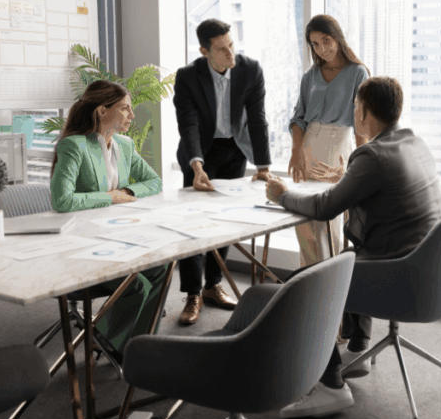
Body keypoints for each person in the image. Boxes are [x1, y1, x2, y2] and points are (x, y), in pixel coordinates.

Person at [265, 76, 441, 419]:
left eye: (355, 107)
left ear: (363, 113)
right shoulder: (413, 142)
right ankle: (357, 347)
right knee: (350, 258)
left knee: (307, 280)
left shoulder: (371, 155)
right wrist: (346, 178)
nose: (354, 113)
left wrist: (281, 195)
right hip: (436, 271)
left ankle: (331, 385)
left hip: (402, 277)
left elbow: (324, 208)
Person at [50, 80, 166, 361]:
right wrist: (110, 197)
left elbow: (155, 181)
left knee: (160, 270)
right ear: (103, 111)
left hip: (118, 237)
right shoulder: (74, 146)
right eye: (125, 108)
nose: (131, 115)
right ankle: (106, 339)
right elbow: (62, 200)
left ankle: (136, 342)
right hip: (82, 244)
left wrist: (127, 191)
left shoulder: (125, 145)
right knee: (135, 283)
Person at [173, 18, 276, 325]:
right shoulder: (188, 76)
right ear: (205, 51)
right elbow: (188, 123)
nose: (231, 54)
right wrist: (196, 164)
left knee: (225, 221)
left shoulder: (250, 69)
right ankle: (192, 293)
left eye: (232, 45)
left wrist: (263, 167)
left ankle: (212, 285)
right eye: (222, 49)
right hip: (200, 155)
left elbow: (258, 120)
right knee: (193, 223)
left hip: (234, 152)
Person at [288, 14, 369, 267]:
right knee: (303, 222)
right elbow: (298, 118)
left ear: (337, 37)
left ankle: (327, 286)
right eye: (315, 44)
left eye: (326, 40)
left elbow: (361, 125)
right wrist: (296, 154)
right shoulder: (310, 76)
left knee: (328, 224)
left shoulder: (358, 73)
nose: (322, 49)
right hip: (308, 148)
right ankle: (306, 283)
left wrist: (358, 167)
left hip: (339, 149)